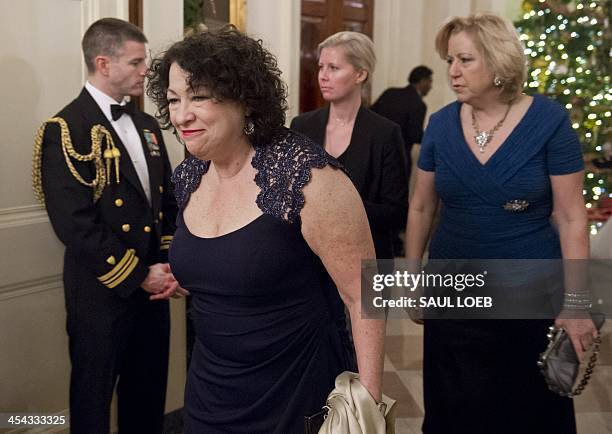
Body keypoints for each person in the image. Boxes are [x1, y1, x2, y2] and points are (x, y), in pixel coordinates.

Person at [146, 26, 385, 433]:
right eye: (173, 99)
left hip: (294, 389)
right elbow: (231, 268)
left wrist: (368, 407)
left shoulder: (305, 176)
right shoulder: (190, 174)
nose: (181, 114)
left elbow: (363, 293)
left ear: (245, 98)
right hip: (211, 389)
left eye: (199, 96)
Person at [406, 13, 598, 434]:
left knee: (527, 410)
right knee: (453, 408)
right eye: (450, 60)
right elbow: (421, 208)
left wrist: (577, 302)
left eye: (465, 60)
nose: (452, 71)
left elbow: (570, 216)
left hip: (530, 297)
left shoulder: (549, 121)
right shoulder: (440, 123)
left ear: (498, 63)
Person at [33, 18, 184, 434]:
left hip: (154, 285)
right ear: (103, 63)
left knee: (147, 395)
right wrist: (138, 276)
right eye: (136, 62)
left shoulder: (148, 125)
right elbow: (74, 224)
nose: (145, 71)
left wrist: (167, 264)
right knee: (92, 401)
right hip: (102, 290)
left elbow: (166, 202)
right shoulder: (65, 130)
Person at [290, 31, 408, 261]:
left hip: (368, 257)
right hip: (309, 259)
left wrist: (340, 207)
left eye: (333, 68)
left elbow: (397, 213)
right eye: (321, 67)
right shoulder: (302, 125)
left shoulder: (385, 133)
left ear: (360, 74)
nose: (322, 76)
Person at [371, 65, 433, 181]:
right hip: (399, 159)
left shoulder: (390, 93)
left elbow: (370, 115)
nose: (431, 86)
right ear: (423, 81)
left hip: (375, 153)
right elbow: (414, 135)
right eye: (430, 81)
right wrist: (432, 138)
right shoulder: (418, 104)